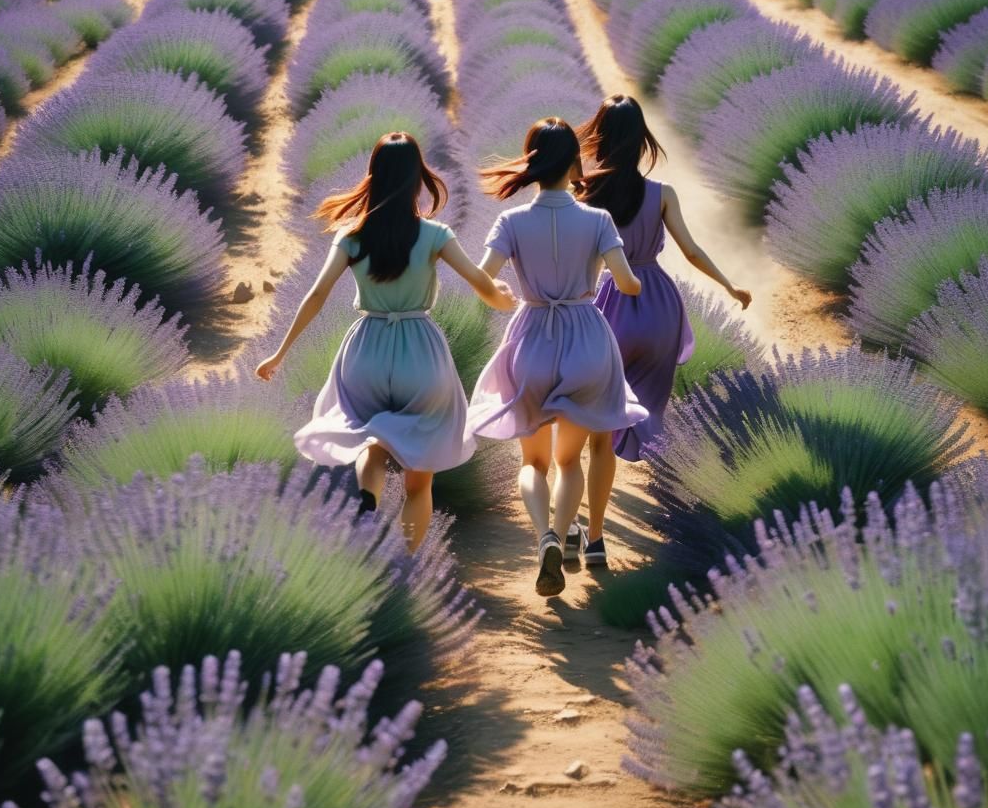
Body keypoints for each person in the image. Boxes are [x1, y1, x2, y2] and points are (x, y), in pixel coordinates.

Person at [255, 132, 517, 552]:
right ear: (418, 179)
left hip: (367, 349)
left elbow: (317, 294)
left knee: (368, 435)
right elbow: (480, 285)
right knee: (420, 476)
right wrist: (501, 297)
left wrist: (279, 353)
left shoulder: (351, 236)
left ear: (373, 176)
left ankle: (368, 494)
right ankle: (407, 564)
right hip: (421, 352)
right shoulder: (435, 234)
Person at [466, 117, 646, 597]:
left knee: (534, 463)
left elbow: (484, 280)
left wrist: (504, 297)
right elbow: (627, 282)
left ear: (532, 163)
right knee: (570, 462)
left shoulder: (511, 221)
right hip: (586, 338)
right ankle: (566, 536)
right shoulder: (597, 219)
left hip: (532, 338)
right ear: (573, 163)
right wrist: (632, 284)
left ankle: (545, 535)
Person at [577, 94, 752, 565]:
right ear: (641, 142)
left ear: (602, 139)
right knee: (648, 409)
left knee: (595, 425)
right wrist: (730, 285)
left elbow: (583, 260)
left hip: (610, 304)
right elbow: (692, 252)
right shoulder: (662, 194)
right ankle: (685, 490)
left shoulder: (587, 193)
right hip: (657, 307)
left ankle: (589, 533)